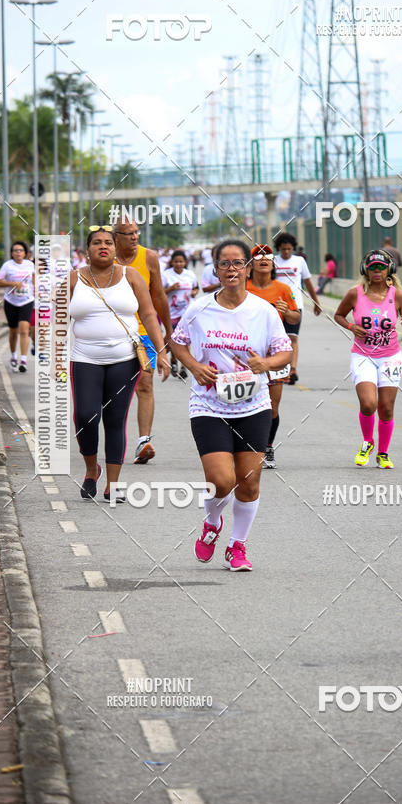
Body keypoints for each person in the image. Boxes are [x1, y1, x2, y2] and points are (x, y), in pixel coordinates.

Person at [169, 239, 293, 571]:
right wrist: (194, 367)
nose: (232, 269)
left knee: (249, 481)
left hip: (253, 405)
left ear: (248, 267)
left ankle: (237, 546)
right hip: (209, 404)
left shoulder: (263, 311)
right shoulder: (198, 308)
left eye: (238, 263)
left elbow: (285, 352)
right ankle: (213, 523)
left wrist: (266, 364)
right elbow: (177, 343)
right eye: (224, 264)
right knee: (222, 481)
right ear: (215, 269)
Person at [69, 227, 169, 501]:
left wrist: (160, 351)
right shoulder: (74, 279)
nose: (104, 246)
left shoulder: (131, 276)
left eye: (108, 243)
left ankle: (113, 484)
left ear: (115, 248)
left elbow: (149, 313)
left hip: (124, 360)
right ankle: (92, 469)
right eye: (97, 243)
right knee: (85, 416)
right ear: (87, 250)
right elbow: (55, 320)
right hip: (85, 358)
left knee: (115, 420)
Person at [334, 249, 402, 469]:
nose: (377, 271)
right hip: (363, 355)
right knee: (369, 404)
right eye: (372, 267)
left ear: (389, 269)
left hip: (391, 357)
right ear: (365, 270)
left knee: (386, 408)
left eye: (381, 267)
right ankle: (368, 441)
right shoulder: (355, 293)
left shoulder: (397, 295)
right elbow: (338, 315)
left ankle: (383, 453)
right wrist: (351, 326)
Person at [113, 219, 172, 464]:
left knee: (145, 384)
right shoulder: (106, 257)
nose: (135, 237)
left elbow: (158, 295)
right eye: (129, 234)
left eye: (137, 232)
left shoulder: (149, 258)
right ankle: (112, 439)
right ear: (117, 236)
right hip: (112, 333)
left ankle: (143, 440)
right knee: (114, 391)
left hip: (143, 332)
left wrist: (168, 332)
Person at [246, 244, 301, 468]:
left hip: (275, 353)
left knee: (272, 406)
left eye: (268, 256)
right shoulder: (243, 287)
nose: (263, 259)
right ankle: (245, 447)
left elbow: (296, 318)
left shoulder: (283, 289)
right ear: (251, 264)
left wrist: (287, 312)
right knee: (245, 402)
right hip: (247, 353)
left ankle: (267, 447)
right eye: (258, 256)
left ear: (273, 263)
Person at [273, 232, 322, 383]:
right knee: (278, 339)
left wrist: (316, 302)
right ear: (279, 249)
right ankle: (280, 369)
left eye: (288, 249)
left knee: (293, 337)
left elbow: (307, 282)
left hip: (295, 305)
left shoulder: (299, 261)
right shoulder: (274, 261)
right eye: (283, 249)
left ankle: (292, 369)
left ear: (293, 248)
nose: (286, 252)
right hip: (276, 305)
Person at [0, 241, 35, 373]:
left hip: (26, 301)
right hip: (11, 302)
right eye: (15, 250)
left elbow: (35, 280)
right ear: (12, 253)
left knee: (24, 330)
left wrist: (38, 290)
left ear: (25, 253)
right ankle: (13, 356)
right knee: (13, 332)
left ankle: (23, 360)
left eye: (21, 250)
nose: (18, 253)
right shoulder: (7, 266)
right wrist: (12, 283)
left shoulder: (30, 265)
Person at [161, 249, 199, 379]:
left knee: (185, 340)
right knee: (173, 339)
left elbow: (196, 288)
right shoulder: (166, 275)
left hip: (187, 312)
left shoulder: (190, 274)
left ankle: (183, 366)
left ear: (185, 262)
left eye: (181, 261)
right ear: (172, 262)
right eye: (176, 261)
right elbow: (159, 293)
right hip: (171, 313)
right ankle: (173, 360)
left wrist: (194, 292)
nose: (178, 264)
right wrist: (171, 289)